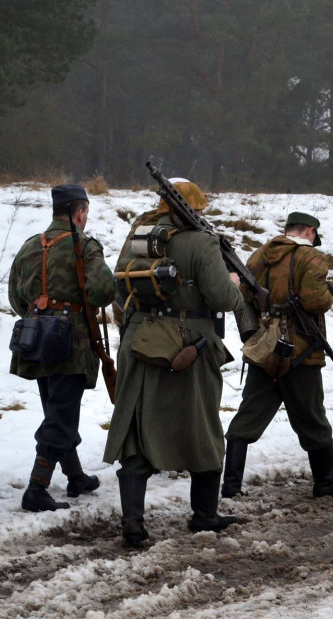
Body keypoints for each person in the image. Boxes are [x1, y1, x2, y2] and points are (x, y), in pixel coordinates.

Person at [103, 178, 243, 547]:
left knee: (136, 430)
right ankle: (204, 515)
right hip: (190, 343)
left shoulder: (137, 238)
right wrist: (233, 282)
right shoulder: (202, 242)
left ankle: (133, 524)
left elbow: (119, 288)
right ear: (194, 209)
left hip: (140, 340)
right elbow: (224, 298)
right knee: (202, 424)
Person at [222, 212, 333, 499]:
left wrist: (254, 334)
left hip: (264, 348)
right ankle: (325, 481)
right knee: (312, 416)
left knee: (248, 414)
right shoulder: (311, 258)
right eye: (314, 235)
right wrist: (329, 291)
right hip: (301, 349)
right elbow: (316, 300)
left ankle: (230, 486)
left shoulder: (259, 255)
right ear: (309, 231)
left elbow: (242, 297)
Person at [8, 184, 115, 512]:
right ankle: (37, 488)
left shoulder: (29, 247)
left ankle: (76, 476)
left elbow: (15, 298)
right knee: (61, 416)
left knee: (57, 411)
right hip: (71, 343)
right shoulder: (84, 246)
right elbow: (104, 291)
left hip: (35, 339)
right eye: (86, 213)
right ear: (80, 212)